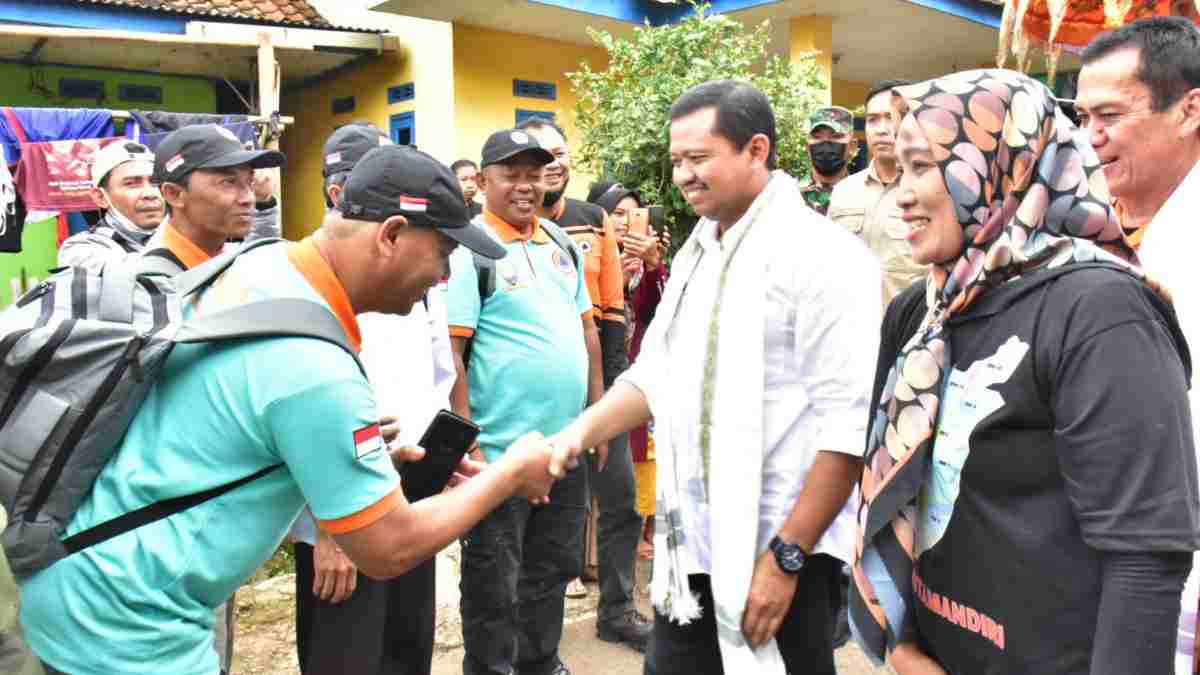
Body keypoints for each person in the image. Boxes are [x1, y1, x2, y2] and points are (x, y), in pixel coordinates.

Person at [16, 143, 562, 675]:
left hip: (80, 575)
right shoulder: (315, 367)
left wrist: (368, 469)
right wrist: (509, 474)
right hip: (129, 624)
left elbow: (234, 425)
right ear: (392, 235)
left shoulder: (265, 266)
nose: (443, 276)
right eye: (442, 254)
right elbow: (387, 549)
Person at [849, 68, 1200, 675]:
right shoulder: (922, 311)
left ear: (1001, 164)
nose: (902, 192)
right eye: (899, 169)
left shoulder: (1099, 311)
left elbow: (1145, 556)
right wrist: (904, 647)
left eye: (925, 165)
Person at [549, 79, 880, 675]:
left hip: (780, 547)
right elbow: (659, 374)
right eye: (677, 160)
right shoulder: (700, 253)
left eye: (699, 158)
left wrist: (787, 558)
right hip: (693, 546)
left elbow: (847, 428)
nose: (683, 176)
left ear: (757, 150)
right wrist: (575, 435)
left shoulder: (824, 256)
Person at [290, 120, 454, 675]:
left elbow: (434, 379)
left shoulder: (415, 283)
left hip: (407, 486)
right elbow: (306, 427)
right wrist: (330, 531)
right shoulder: (302, 296)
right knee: (347, 656)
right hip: (343, 506)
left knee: (407, 650)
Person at [445, 128, 600, 675]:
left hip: (565, 447)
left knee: (551, 571)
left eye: (533, 174)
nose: (524, 185)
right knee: (494, 581)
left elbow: (588, 336)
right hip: (499, 455)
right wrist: (469, 447)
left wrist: (594, 422)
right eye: (510, 174)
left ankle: (541, 662)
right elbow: (454, 356)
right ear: (483, 181)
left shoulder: (560, 245)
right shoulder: (468, 249)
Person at [1076, 16, 1200, 674]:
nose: (1091, 137)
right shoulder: (1132, 230)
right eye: (1083, 117)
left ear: (1189, 110)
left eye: (1110, 115)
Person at [518, 116, 650, 651]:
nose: (553, 162)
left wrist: (609, 399)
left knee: (620, 502)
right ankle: (528, 635)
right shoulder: (498, 229)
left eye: (559, 151)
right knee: (534, 512)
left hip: (599, 396)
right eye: (540, 154)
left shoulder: (595, 220)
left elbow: (611, 314)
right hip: (531, 407)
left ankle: (617, 609)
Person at [585, 181, 668, 557]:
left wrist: (652, 265)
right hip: (594, 367)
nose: (623, 223)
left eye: (632, 215)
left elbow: (660, 310)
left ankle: (640, 531)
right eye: (617, 214)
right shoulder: (587, 256)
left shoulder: (647, 263)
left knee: (639, 456)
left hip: (638, 368)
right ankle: (585, 554)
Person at [58, 138, 280, 273]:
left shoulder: (207, 241)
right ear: (100, 197)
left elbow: (259, 262)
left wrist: (263, 204)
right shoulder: (82, 250)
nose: (149, 194)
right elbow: (152, 276)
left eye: (154, 183)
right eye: (132, 183)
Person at [829, 80, 926, 302]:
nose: (881, 129)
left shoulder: (930, 190)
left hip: (907, 330)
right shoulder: (844, 191)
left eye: (890, 118)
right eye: (872, 119)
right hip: (849, 327)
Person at [800, 106, 858, 216]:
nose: (825, 143)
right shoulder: (790, 196)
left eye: (836, 136)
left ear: (852, 147)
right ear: (808, 148)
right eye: (817, 137)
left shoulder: (863, 195)